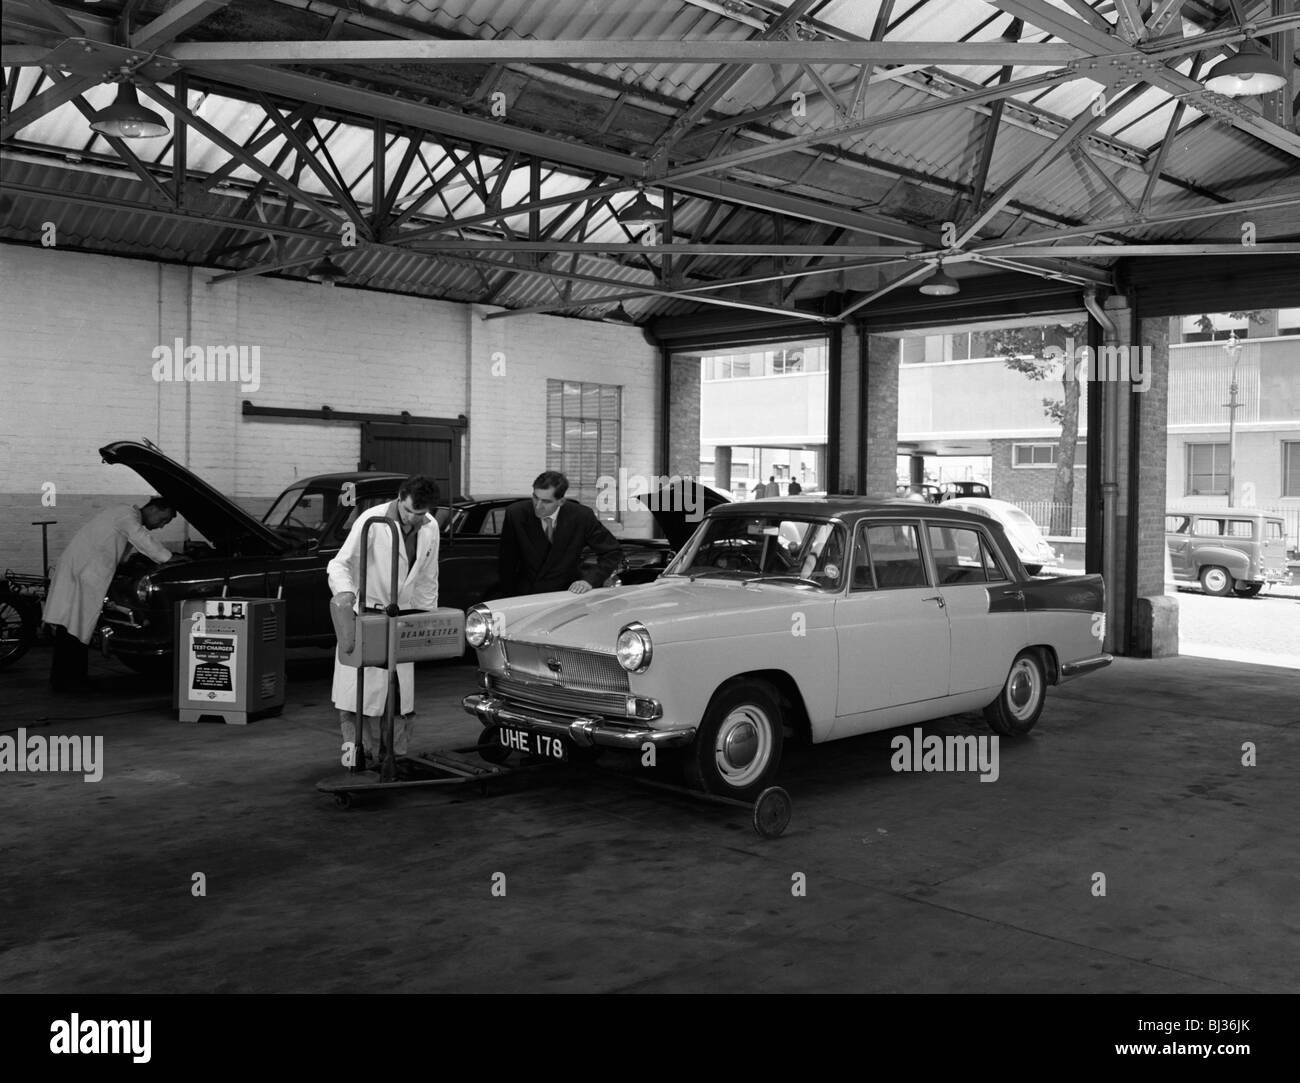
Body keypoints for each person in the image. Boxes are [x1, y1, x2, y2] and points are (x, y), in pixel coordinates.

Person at [327, 475, 441, 767]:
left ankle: (393, 757)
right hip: (368, 617)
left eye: (420, 514)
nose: (413, 520)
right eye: (408, 511)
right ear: (399, 497)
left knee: (399, 699)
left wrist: (425, 622)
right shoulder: (371, 521)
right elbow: (339, 564)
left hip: (403, 620)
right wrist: (345, 595)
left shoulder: (430, 527)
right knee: (357, 699)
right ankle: (357, 755)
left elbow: (428, 578)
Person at [43, 497, 177, 691]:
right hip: (83, 574)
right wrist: (170, 559)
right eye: (163, 520)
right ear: (155, 508)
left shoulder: (122, 514)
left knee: (73, 628)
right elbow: (141, 539)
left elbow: (118, 548)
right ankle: (69, 681)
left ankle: (68, 679)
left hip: (82, 573)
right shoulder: (126, 515)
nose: (162, 526)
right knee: (73, 629)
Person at [497, 470, 622, 596]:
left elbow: (612, 552)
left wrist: (589, 581)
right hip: (527, 595)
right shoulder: (516, 513)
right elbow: (507, 562)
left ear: (561, 501)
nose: (538, 506)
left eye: (546, 501)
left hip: (567, 594)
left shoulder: (582, 516)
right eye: (535, 498)